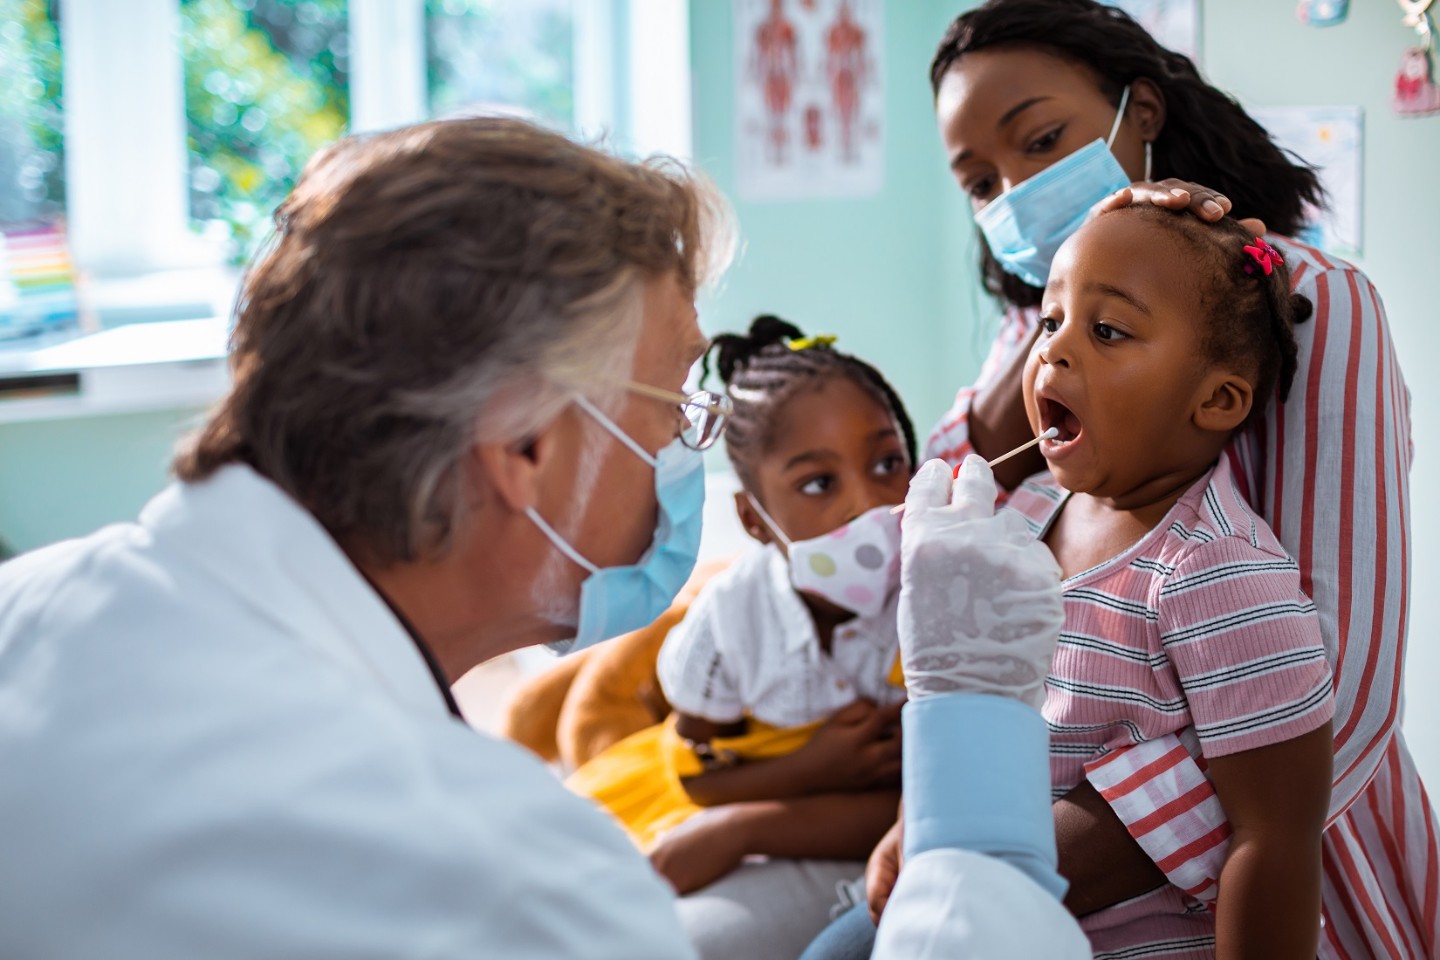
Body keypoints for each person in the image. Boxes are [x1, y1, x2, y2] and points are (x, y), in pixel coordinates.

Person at [0, 116, 1082, 959]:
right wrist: (979, 772)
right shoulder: (504, 883)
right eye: (673, 408)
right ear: (524, 447)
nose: (684, 448)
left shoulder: (28, 610)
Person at [804, 2, 1435, 957]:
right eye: (981, 182)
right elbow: (943, 578)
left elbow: (1339, 686)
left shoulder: (1315, 304)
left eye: (1043, 141)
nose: (1014, 190)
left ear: (1141, 113)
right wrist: (938, 821)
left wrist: (1036, 863)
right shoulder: (1029, 346)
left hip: (1254, 879)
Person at [1017, 206, 1336, 955]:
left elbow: (1276, 842)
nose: (1054, 351)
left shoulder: (1215, 573)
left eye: (1107, 331)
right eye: (1050, 319)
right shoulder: (1028, 508)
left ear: (1218, 401)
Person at [579, 317, 915, 956]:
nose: (867, 503)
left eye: (887, 463)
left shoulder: (936, 596)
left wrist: (743, 830)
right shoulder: (731, 619)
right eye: (819, 482)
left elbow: (923, 802)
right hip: (714, 791)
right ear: (752, 519)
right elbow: (697, 773)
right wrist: (810, 767)